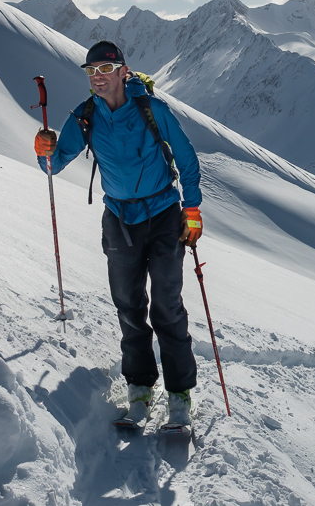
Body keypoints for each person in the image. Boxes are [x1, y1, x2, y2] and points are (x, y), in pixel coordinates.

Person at [34, 40, 202, 429]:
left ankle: (179, 396)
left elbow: (188, 159)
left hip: (163, 214)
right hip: (119, 219)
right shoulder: (85, 117)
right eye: (91, 71)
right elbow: (53, 166)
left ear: (124, 72)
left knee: (167, 304)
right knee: (128, 306)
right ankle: (140, 390)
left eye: (105, 70)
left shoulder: (152, 110)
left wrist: (191, 211)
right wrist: (44, 148)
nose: (97, 77)